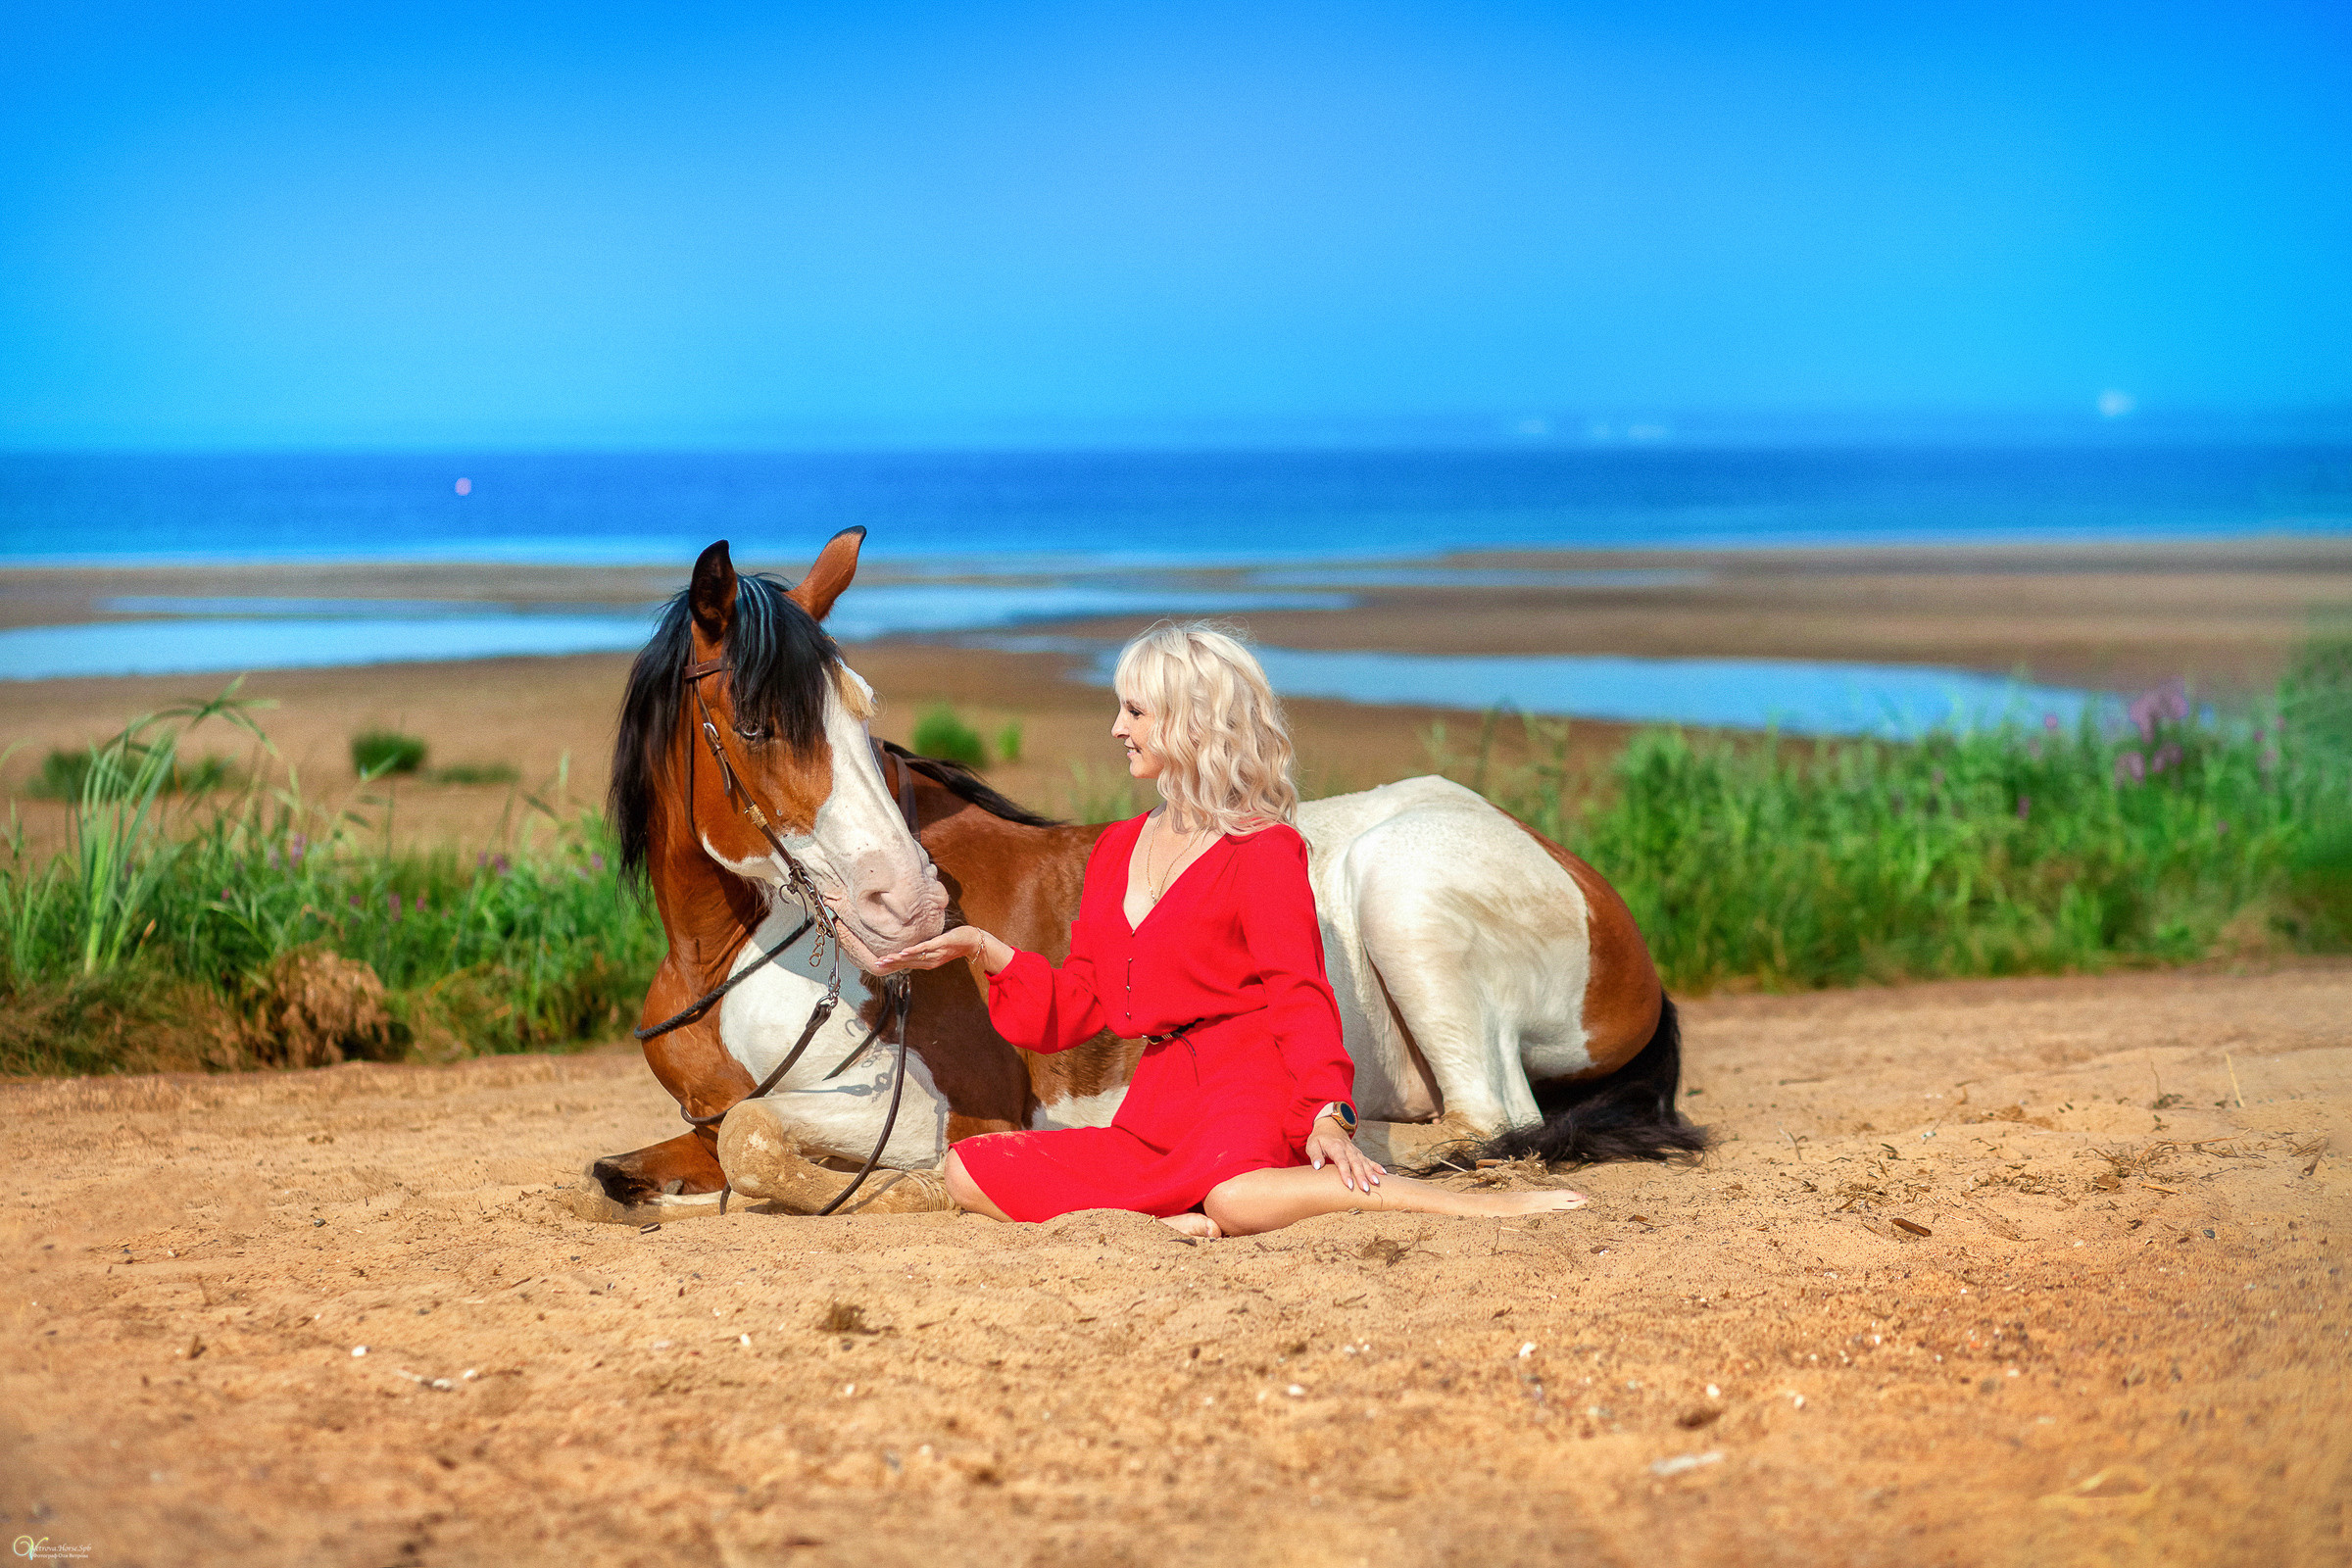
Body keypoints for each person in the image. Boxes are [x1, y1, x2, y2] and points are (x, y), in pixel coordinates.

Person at [881, 621, 1587, 1238]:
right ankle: (1176, 1218)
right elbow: (1085, 1002)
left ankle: (1464, 1208)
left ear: (1191, 722)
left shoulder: (1265, 849)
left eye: (1134, 711)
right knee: (968, 1170)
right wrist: (985, 947)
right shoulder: (1117, 849)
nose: (1117, 728)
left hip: (1246, 1091)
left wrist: (1327, 1113)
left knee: (1238, 1195)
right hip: (1156, 1106)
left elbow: (1300, 993)